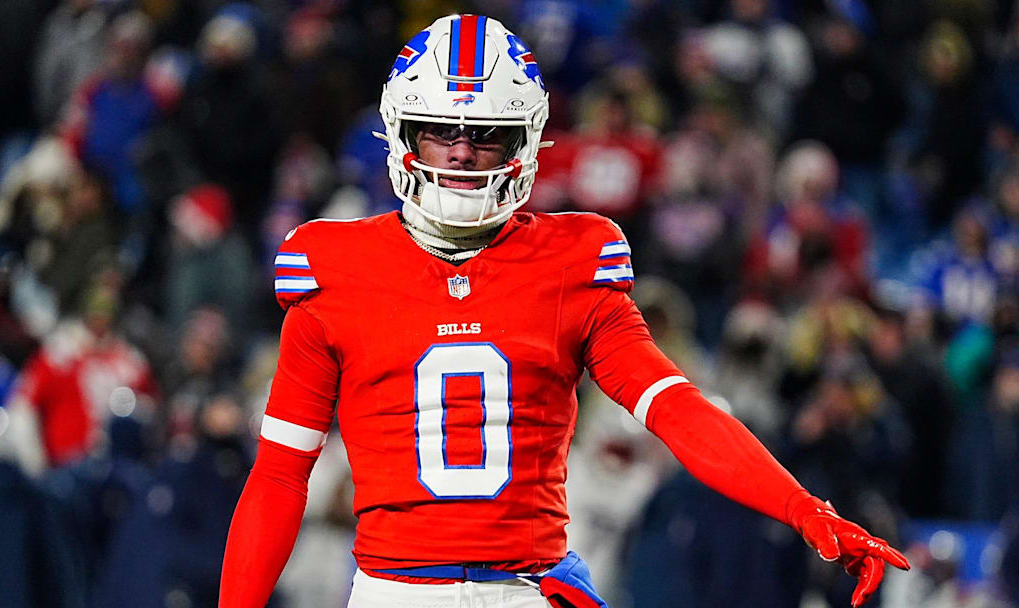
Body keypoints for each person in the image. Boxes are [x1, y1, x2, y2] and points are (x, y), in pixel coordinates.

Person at [219, 15, 909, 608]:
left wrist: (802, 508)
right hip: (393, 589)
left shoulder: (573, 259)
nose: (462, 152)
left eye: (486, 135)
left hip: (528, 588)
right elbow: (281, 474)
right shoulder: (334, 266)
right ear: (403, 134)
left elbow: (679, 410)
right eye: (441, 131)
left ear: (526, 142)